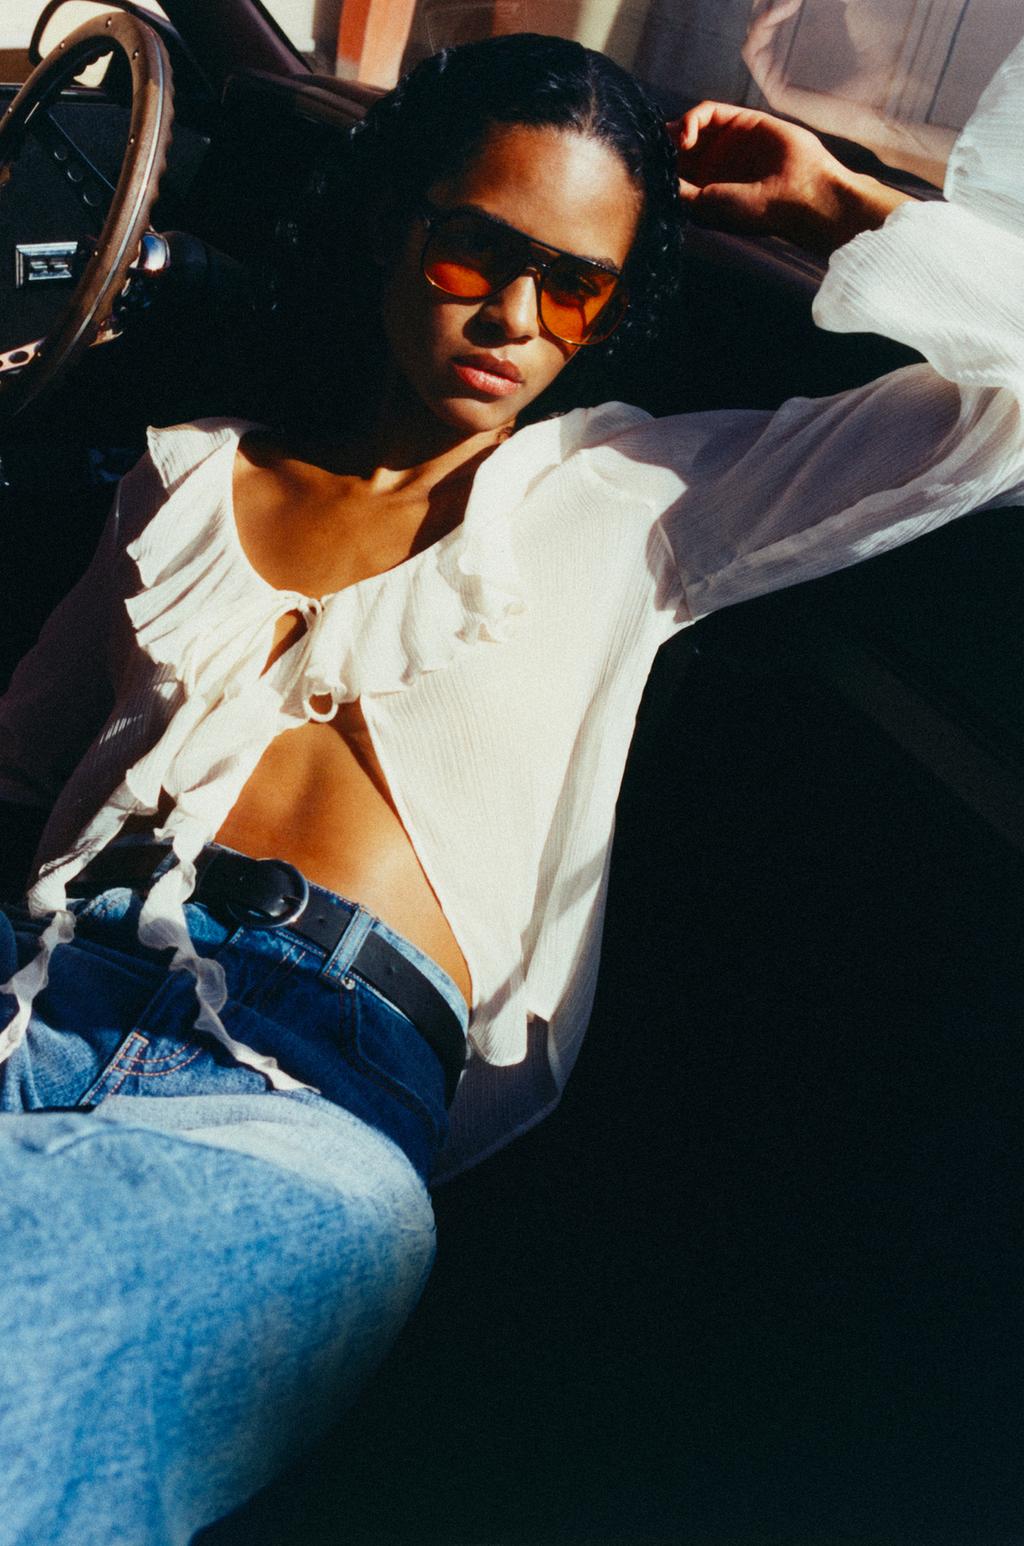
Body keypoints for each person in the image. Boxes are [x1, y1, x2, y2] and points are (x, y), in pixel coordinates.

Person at [0, 28, 1021, 1546]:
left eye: (577, 286)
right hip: (39, 986)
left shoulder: (639, 502)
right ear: (392, 222)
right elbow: (23, 768)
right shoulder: (184, 474)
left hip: (305, 1102)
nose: (518, 318)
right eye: (476, 253)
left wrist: (835, 203)